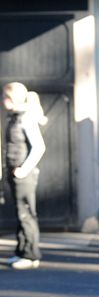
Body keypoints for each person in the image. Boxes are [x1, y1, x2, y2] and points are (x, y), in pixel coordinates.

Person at [3, 83, 47, 270]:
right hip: (14, 171)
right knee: (20, 213)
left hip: (24, 174)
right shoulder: (14, 117)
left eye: (6, 96)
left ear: (14, 98)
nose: (3, 100)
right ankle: (21, 251)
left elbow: (39, 146)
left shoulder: (26, 118)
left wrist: (24, 169)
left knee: (26, 214)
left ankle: (31, 255)